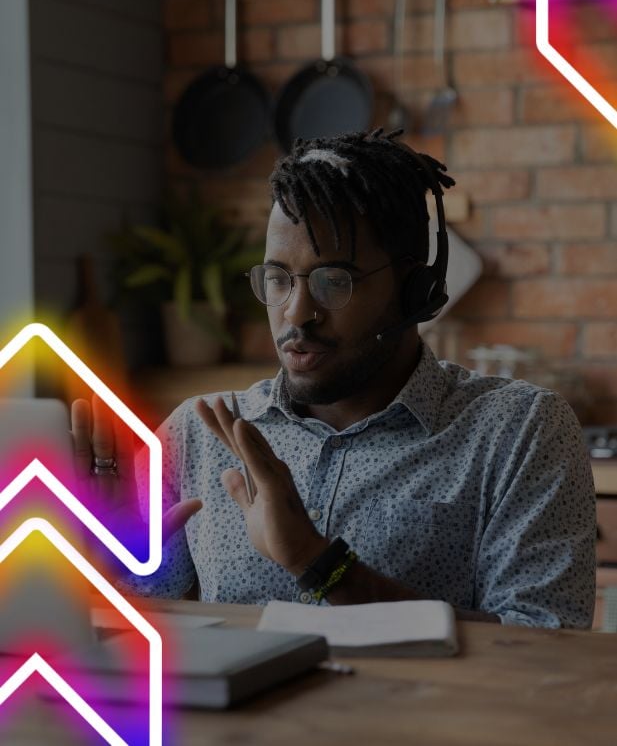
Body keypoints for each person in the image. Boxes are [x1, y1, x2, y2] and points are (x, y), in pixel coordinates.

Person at [72, 128, 596, 628]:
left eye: (333, 281)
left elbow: (541, 647)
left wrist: (318, 562)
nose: (298, 314)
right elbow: (132, 643)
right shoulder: (197, 436)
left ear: (413, 289)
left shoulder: (517, 431)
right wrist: (97, 569)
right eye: (278, 278)